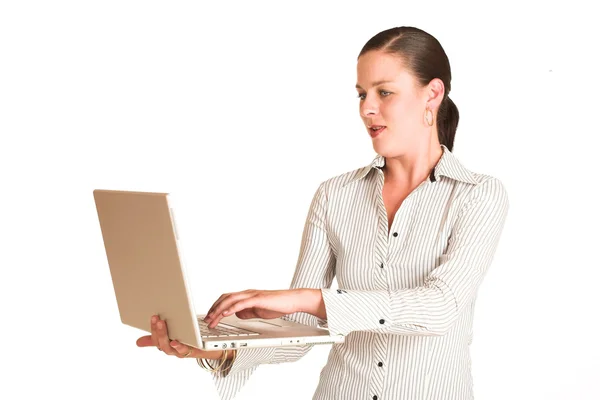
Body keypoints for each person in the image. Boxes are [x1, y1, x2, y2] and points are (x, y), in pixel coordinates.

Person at [136, 26, 510, 400]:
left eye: (385, 92)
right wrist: (214, 348)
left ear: (432, 94)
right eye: (362, 94)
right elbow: (299, 332)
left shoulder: (478, 196)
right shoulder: (335, 195)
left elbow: (439, 307)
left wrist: (307, 299)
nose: (367, 108)